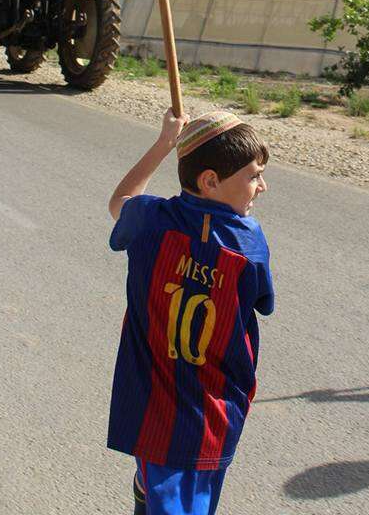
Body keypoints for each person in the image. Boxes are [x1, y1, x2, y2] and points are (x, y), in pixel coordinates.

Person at [107, 108, 273, 515]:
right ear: (210, 180)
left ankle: (146, 487)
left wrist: (163, 143)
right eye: (253, 176)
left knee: (164, 487)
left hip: (153, 406)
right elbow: (262, 302)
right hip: (212, 410)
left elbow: (119, 202)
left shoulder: (149, 219)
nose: (262, 186)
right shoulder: (248, 243)